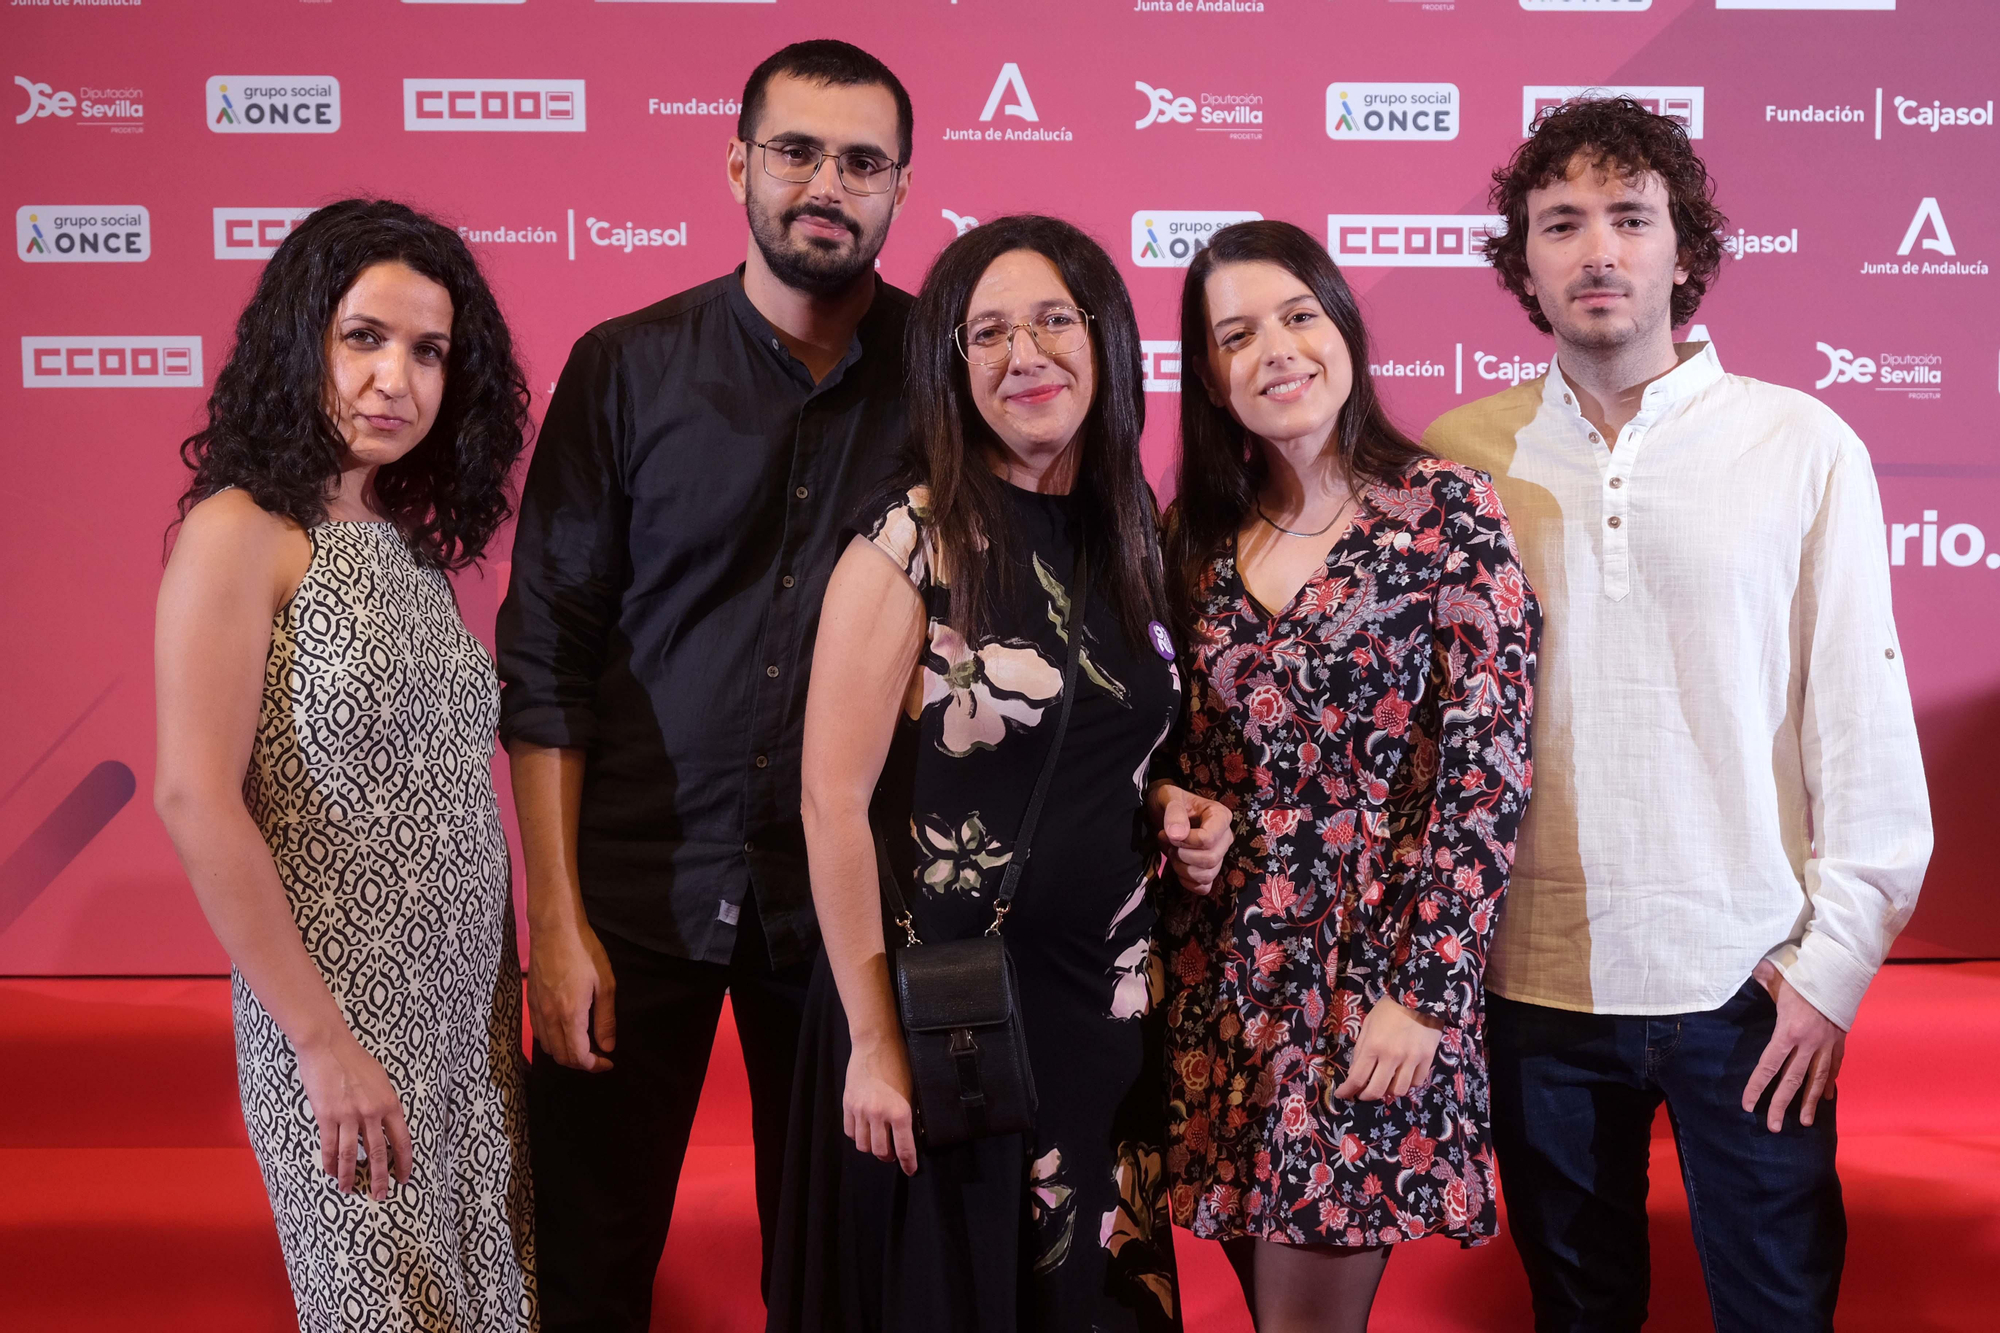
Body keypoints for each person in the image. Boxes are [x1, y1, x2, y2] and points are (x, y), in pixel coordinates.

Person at [1423, 97, 1933, 1333]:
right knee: (1577, 1312)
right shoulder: (1452, 458)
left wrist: (1831, 972)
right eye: (1560, 223)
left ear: (1681, 250)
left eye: (1628, 218)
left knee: (1776, 1309)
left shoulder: (1800, 443)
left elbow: (1858, 721)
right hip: (1531, 983)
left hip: (1747, 985)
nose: (1596, 249)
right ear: (1522, 262)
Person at [495, 39, 916, 1332]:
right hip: (633, 895)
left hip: (852, 910)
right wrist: (555, 923)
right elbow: (549, 647)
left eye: (861, 160)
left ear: (902, 188)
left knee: (838, 1276)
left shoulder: (948, 375)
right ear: (738, 163)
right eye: (795, 151)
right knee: (588, 1264)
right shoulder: (627, 366)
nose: (825, 183)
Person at [764, 214, 1233, 1333]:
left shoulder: (1126, 530)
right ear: (951, 366)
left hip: (1102, 1013)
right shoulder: (909, 541)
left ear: (1104, 340)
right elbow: (828, 806)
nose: (1024, 355)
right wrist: (874, 1043)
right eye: (987, 333)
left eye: (1051, 322)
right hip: (946, 1022)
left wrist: (1172, 807)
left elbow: (1111, 747)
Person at [153, 199, 536, 1332]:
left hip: (467, 1020)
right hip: (341, 1023)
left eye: (427, 351)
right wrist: (322, 1045)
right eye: (363, 337)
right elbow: (193, 795)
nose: (395, 380)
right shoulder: (241, 528)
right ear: (299, 340)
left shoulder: (398, 542)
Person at [1154, 219, 1541, 1333]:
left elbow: (1487, 769)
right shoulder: (1191, 539)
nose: (1273, 348)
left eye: (1297, 314)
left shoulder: (1445, 512)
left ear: (1344, 331)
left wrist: (1425, 992)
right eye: (1235, 334)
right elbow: (1163, 751)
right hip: (1223, 988)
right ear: (1211, 377)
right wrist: (1177, 809)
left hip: (1372, 979)